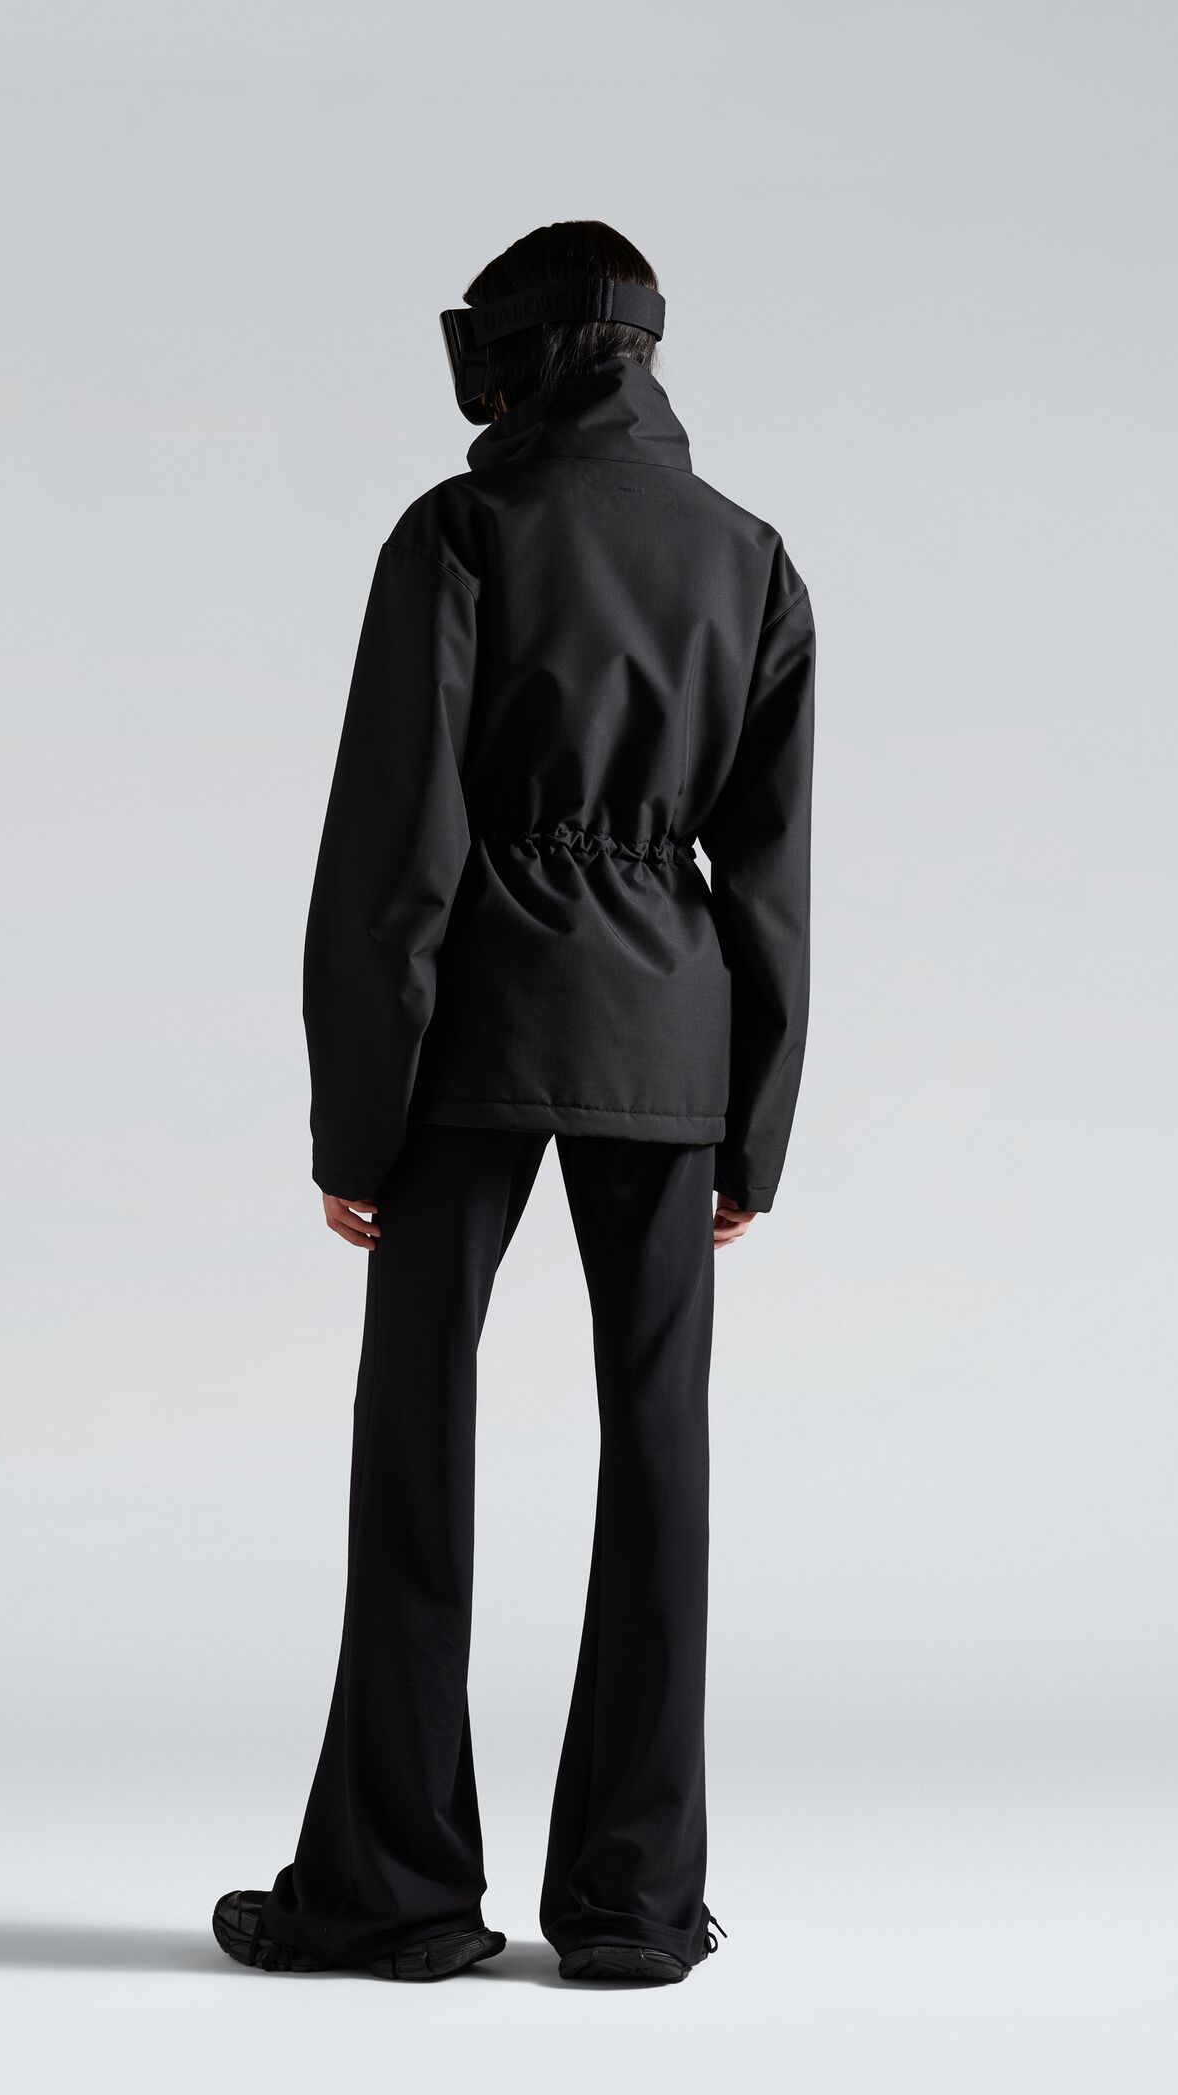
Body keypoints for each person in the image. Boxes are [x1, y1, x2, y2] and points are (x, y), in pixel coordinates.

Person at [214, 220, 814, 1987]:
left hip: (473, 1036)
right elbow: (770, 875)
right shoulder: (753, 558)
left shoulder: (462, 531)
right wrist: (755, 1126)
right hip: (672, 1045)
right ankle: (633, 1905)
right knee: (662, 1456)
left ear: (529, 352)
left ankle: (394, 1891)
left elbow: (393, 848)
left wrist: (356, 1116)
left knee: (418, 1441)